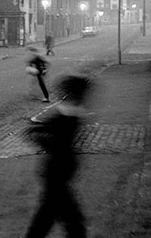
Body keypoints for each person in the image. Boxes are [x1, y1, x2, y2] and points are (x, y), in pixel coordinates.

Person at [25, 75, 91, 238]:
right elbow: (43, 134)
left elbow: (42, 135)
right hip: (59, 170)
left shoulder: (67, 115)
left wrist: (38, 132)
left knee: (49, 215)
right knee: (63, 217)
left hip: (56, 170)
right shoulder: (70, 114)